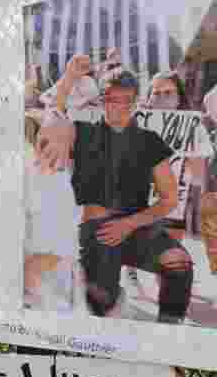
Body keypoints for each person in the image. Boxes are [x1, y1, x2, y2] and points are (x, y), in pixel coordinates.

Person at [39, 56, 193, 323]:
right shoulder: (82, 132)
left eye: (127, 100)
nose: (120, 106)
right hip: (97, 232)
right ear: (102, 100)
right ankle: (111, 300)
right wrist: (70, 76)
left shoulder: (149, 140)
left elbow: (168, 200)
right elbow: (54, 111)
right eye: (112, 99)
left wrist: (130, 223)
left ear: (135, 101)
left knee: (179, 262)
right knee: (101, 304)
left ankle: (169, 335)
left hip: (136, 228)